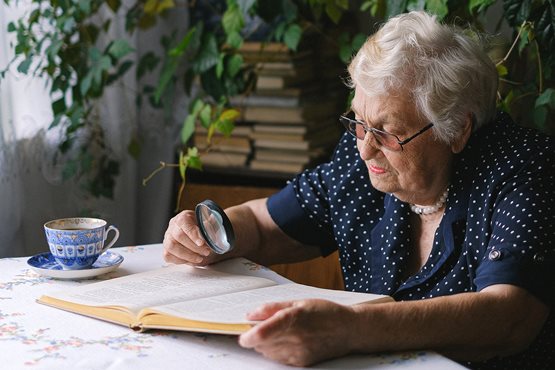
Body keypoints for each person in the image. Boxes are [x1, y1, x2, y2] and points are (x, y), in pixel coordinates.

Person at [163, 11, 554, 369]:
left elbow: (509, 316)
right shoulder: (360, 160)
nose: (365, 146)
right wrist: (207, 233)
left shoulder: (522, 168)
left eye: (386, 131)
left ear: (457, 129)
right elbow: (264, 225)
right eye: (359, 121)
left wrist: (350, 329)